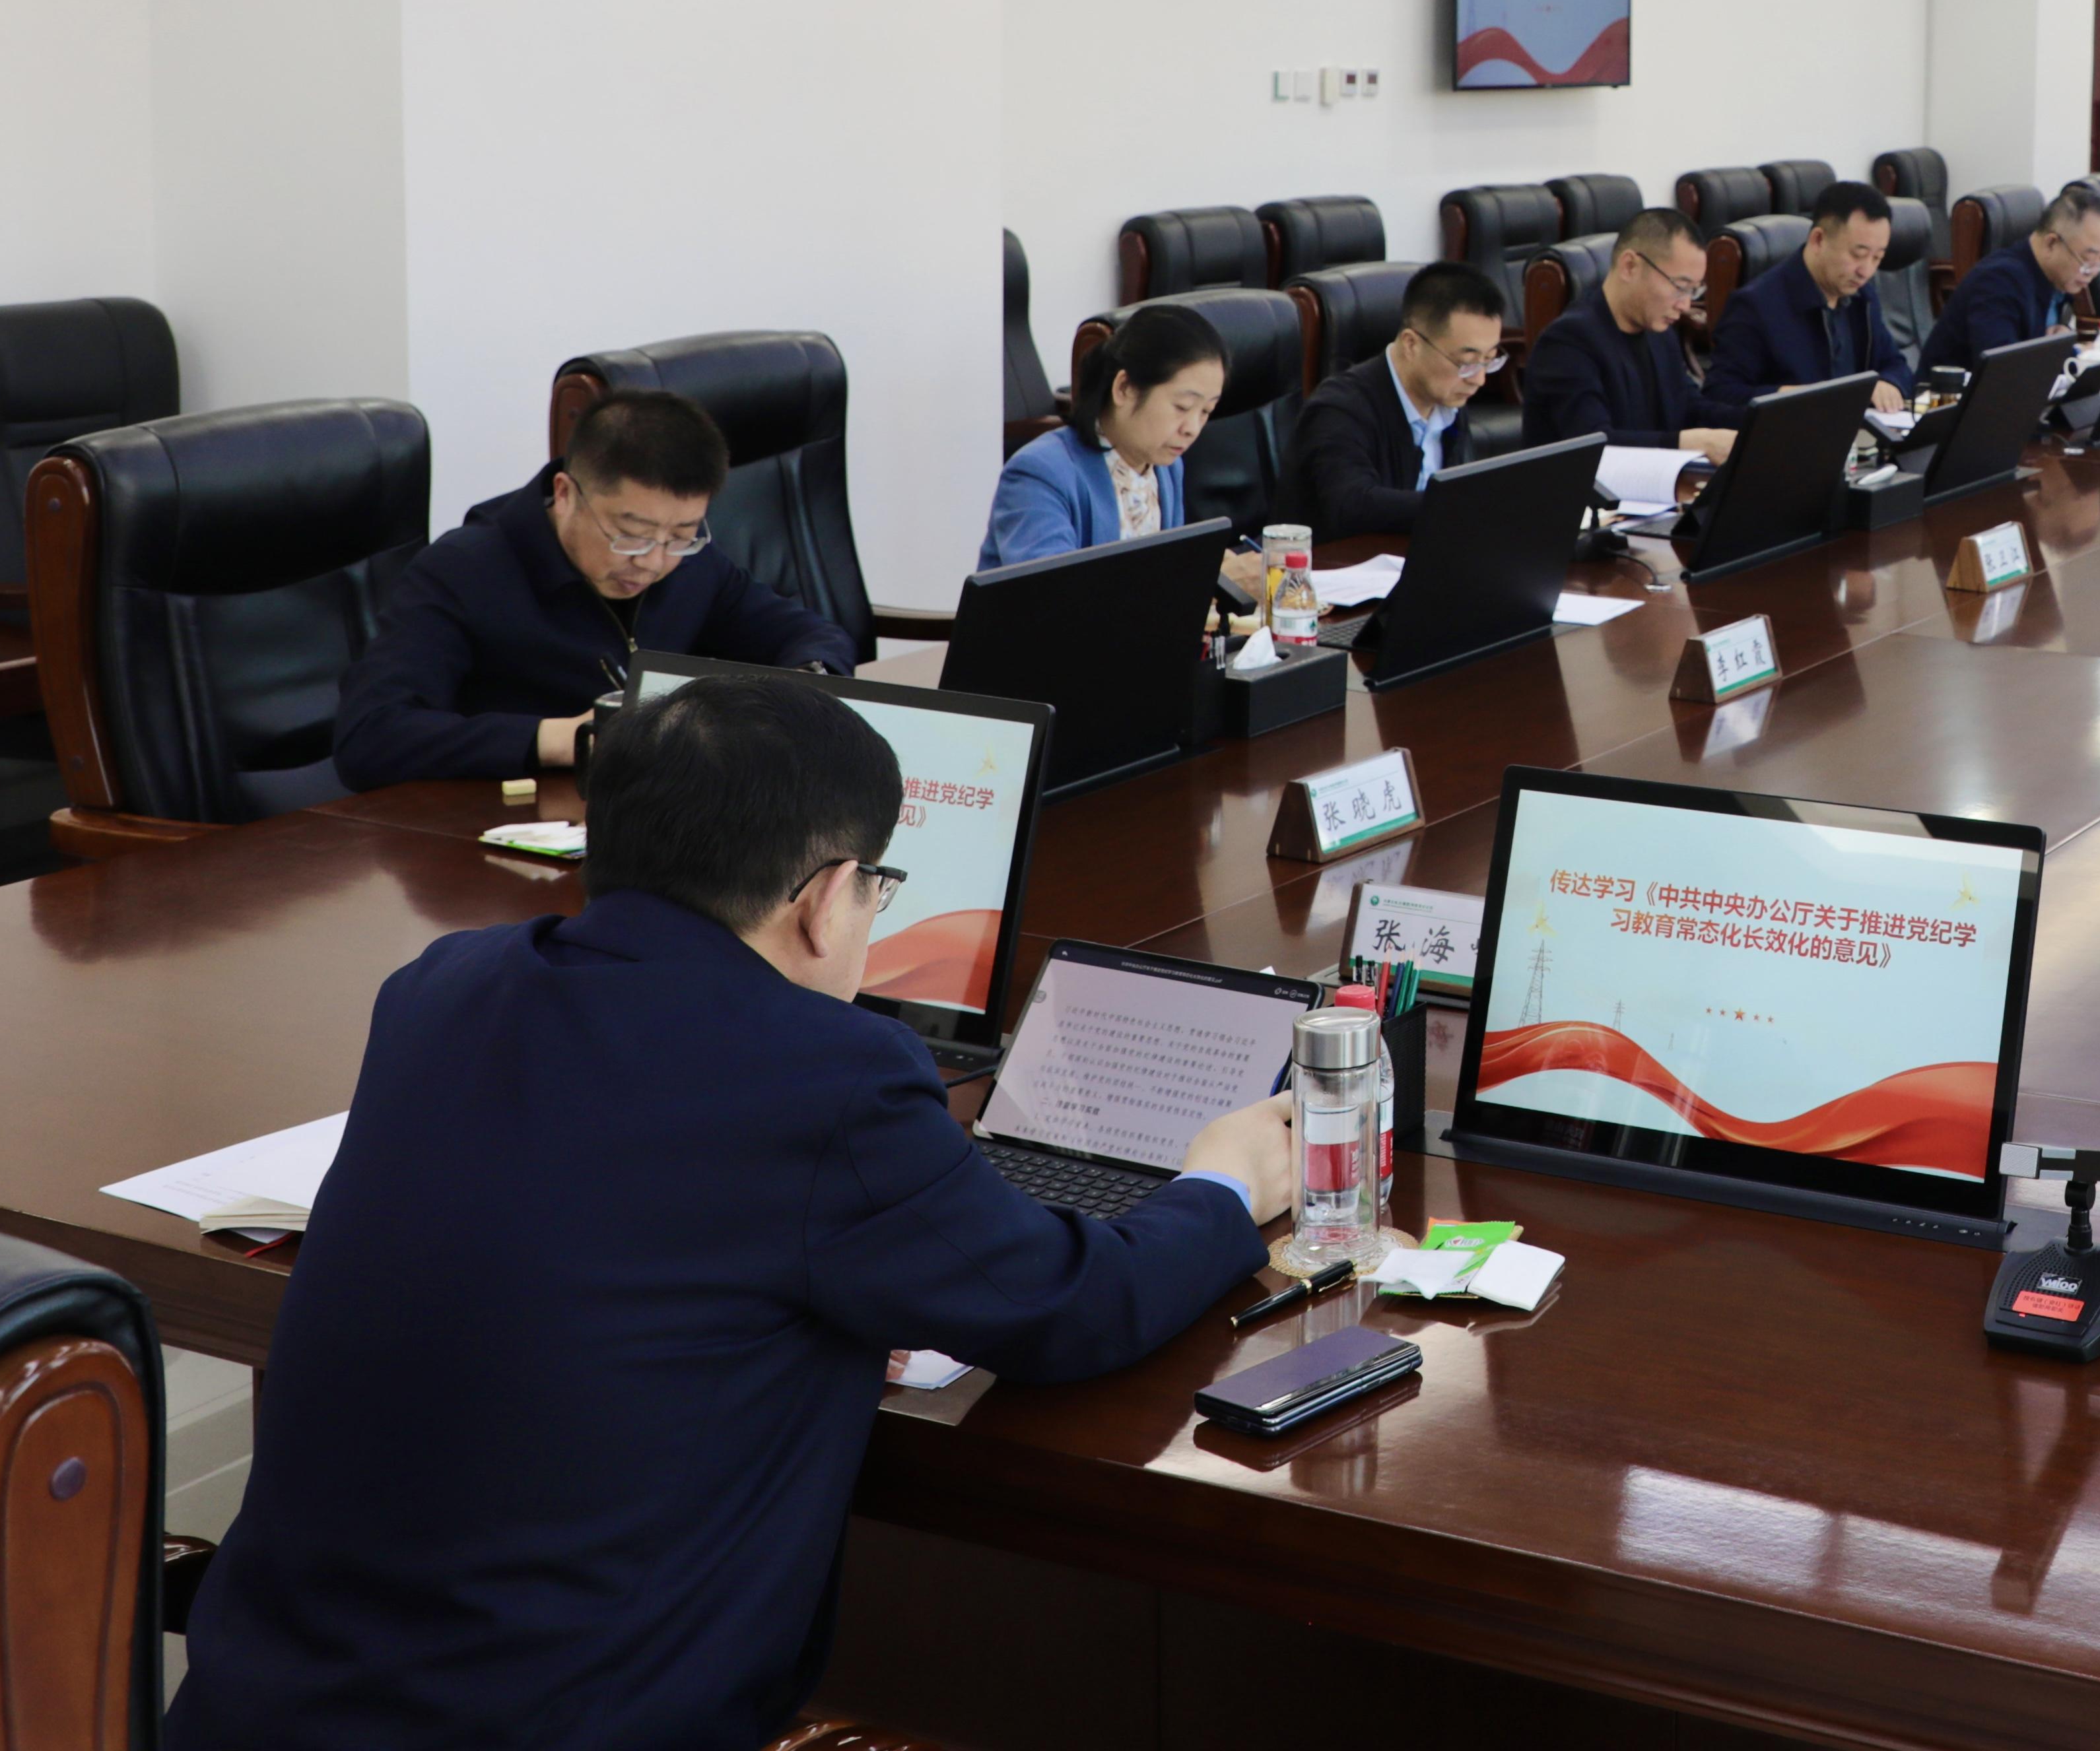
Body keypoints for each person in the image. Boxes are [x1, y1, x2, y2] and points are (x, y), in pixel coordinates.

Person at [168, 672, 1293, 1751]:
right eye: (879, 887)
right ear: (825, 901)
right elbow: (1073, 1310)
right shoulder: (828, 1076)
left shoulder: (441, 987)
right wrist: (1224, 1183)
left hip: (258, 1706)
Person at [335, 387, 852, 789]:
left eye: (681, 535)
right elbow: (371, 737)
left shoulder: (690, 565)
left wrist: (810, 686)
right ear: (566, 494)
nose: (652, 562)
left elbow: (811, 635)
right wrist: (565, 737)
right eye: (630, 534)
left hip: (645, 819)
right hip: (495, 838)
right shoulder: (464, 572)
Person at [976, 298, 1271, 601]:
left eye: (1206, 411)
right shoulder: (1041, 473)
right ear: (1125, 389)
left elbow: (1162, 576)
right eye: (1183, 407)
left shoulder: (1167, 467)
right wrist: (1205, 581)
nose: (1192, 428)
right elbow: (1056, 599)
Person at [1290, 259, 1509, 537]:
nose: (1479, 379)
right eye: (1467, 362)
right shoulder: (1339, 409)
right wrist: (1463, 504)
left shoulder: (1449, 398)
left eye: (1489, 359)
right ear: (1411, 344)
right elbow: (1352, 506)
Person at [1522, 209, 1738, 457]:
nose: (1686, 305)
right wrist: (1689, 443)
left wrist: (1755, 420)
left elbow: (1690, 408)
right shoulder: (1567, 343)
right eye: (1680, 287)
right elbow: (1594, 445)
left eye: (1695, 291)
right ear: (1630, 266)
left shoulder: (1660, 331)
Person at [1705, 180, 1917, 419]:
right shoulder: (1756, 306)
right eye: (1858, 254)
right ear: (1818, 240)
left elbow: (1896, 364)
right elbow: (1719, 394)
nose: (1866, 271)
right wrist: (1797, 398)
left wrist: (1889, 383)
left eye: (1877, 258)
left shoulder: (1861, 296)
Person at [1920, 180, 2100, 375]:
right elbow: (2003, 372)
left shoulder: (2057, 277)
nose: (2093, 272)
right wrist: (2068, 354)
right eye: (2088, 259)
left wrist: (2068, 346)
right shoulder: (1997, 283)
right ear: (2051, 243)